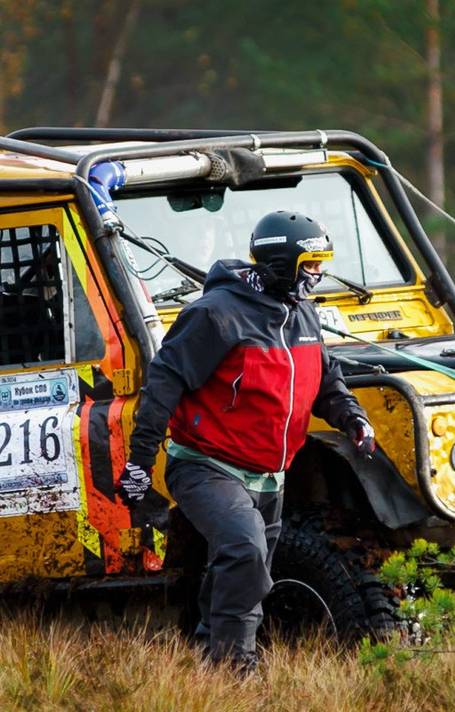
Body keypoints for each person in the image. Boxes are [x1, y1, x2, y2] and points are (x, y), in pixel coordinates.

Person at [118, 210, 379, 672]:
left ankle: (208, 667)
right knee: (245, 552)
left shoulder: (302, 313)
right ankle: (238, 669)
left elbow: (324, 378)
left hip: (269, 477)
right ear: (283, 263)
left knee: (245, 572)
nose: (319, 274)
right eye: (311, 264)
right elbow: (163, 381)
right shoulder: (215, 315)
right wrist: (140, 462)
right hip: (206, 465)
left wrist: (353, 418)